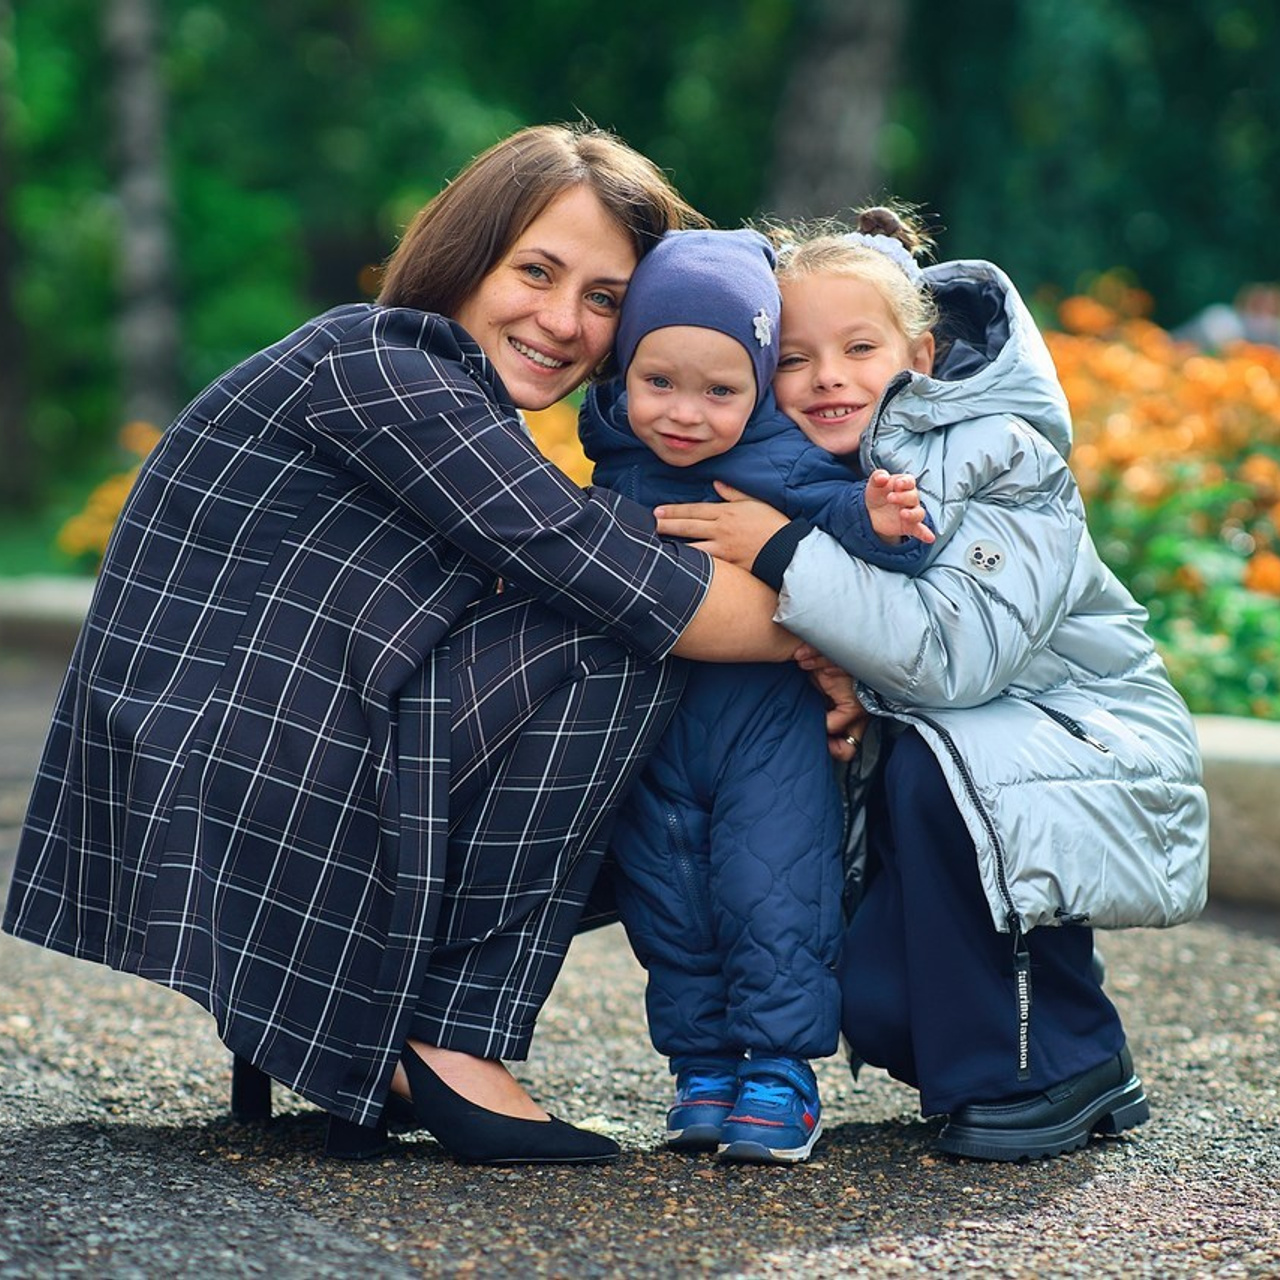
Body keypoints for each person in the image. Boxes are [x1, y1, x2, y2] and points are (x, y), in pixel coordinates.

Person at [1, 123, 800, 1169]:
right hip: (230, 766)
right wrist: (851, 641)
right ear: (467, 253)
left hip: (267, 741)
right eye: (536, 271)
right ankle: (447, 1037)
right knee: (620, 644)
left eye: (605, 297)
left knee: (643, 683)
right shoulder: (381, 363)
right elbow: (625, 578)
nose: (564, 321)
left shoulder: (428, 385)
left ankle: (401, 1032)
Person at [653, 206, 1210, 1161]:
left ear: (919, 353)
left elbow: (956, 659)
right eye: (795, 359)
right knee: (880, 1006)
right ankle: (986, 1045)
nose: (828, 377)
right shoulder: (815, 474)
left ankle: (1062, 1058)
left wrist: (783, 553)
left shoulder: (1002, 454)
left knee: (935, 772)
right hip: (957, 737)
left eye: (858, 349)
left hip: (1072, 739)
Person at [578, 227, 933, 1164]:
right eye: (659, 383)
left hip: (767, 729)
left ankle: (780, 1072)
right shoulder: (609, 454)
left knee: (774, 894)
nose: (685, 414)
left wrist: (878, 518)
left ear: (759, 385)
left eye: (721, 391)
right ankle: (701, 1068)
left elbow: (838, 519)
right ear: (624, 373)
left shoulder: (774, 456)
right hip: (651, 726)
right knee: (669, 902)